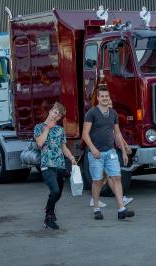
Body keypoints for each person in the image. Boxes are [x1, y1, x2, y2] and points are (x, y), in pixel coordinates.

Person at [82, 85, 135, 220]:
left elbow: (117, 134)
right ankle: (96, 208)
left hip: (111, 151)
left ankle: (121, 209)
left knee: (116, 178)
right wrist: (93, 148)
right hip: (96, 153)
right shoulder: (92, 113)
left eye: (107, 96)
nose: (105, 98)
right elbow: (85, 134)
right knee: (98, 181)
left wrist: (123, 152)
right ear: (98, 98)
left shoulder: (113, 113)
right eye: (102, 96)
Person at [34, 102, 77, 229]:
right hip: (47, 165)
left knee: (58, 194)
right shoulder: (39, 127)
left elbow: (63, 147)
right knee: (55, 190)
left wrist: (71, 157)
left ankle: (49, 208)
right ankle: (49, 217)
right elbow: (40, 144)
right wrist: (47, 128)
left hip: (60, 165)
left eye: (58, 115)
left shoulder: (60, 130)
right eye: (55, 112)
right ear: (50, 111)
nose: (56, 115)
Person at [89, 99, 134, 208]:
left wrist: (125, 146)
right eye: (108, 104)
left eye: (111, 104)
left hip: (109, 152)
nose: (109, 106)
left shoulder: (112, 117)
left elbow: (118, 135)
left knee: (106, 178)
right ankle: (118, 199)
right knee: (106, 178)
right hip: (100, 152)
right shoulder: (97, 118)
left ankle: (94, 199)